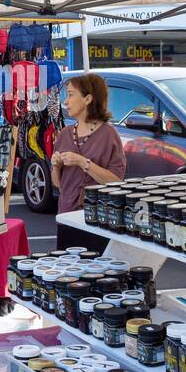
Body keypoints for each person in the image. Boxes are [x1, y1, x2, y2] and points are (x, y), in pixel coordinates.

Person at [50, 73, 126, 251]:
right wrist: (56, 166)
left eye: (70, 94)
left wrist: (83, 162)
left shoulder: (109, 135)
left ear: (88, 98)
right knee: (66, 271)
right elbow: (58, 185)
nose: (66, 101)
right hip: (67, 216)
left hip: (98, 218)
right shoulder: (65, 134)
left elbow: (116, 181)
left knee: (96, 271)